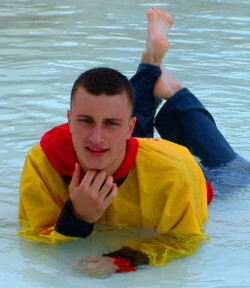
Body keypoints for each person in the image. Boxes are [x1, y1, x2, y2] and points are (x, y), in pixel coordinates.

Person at [18, 7, 249, 279]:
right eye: (84, 121)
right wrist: (77, 217)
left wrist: (124, 259)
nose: (96, 136)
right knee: (109, 128)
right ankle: (151, 65)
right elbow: (35, 240)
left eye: (113, 125)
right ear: (69, 121)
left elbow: (186, 238)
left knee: (236, 171)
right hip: (128, 150)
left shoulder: (175, 168)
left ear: (128, 128)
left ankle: (173, 90)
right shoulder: (43, 161)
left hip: (196, 179)